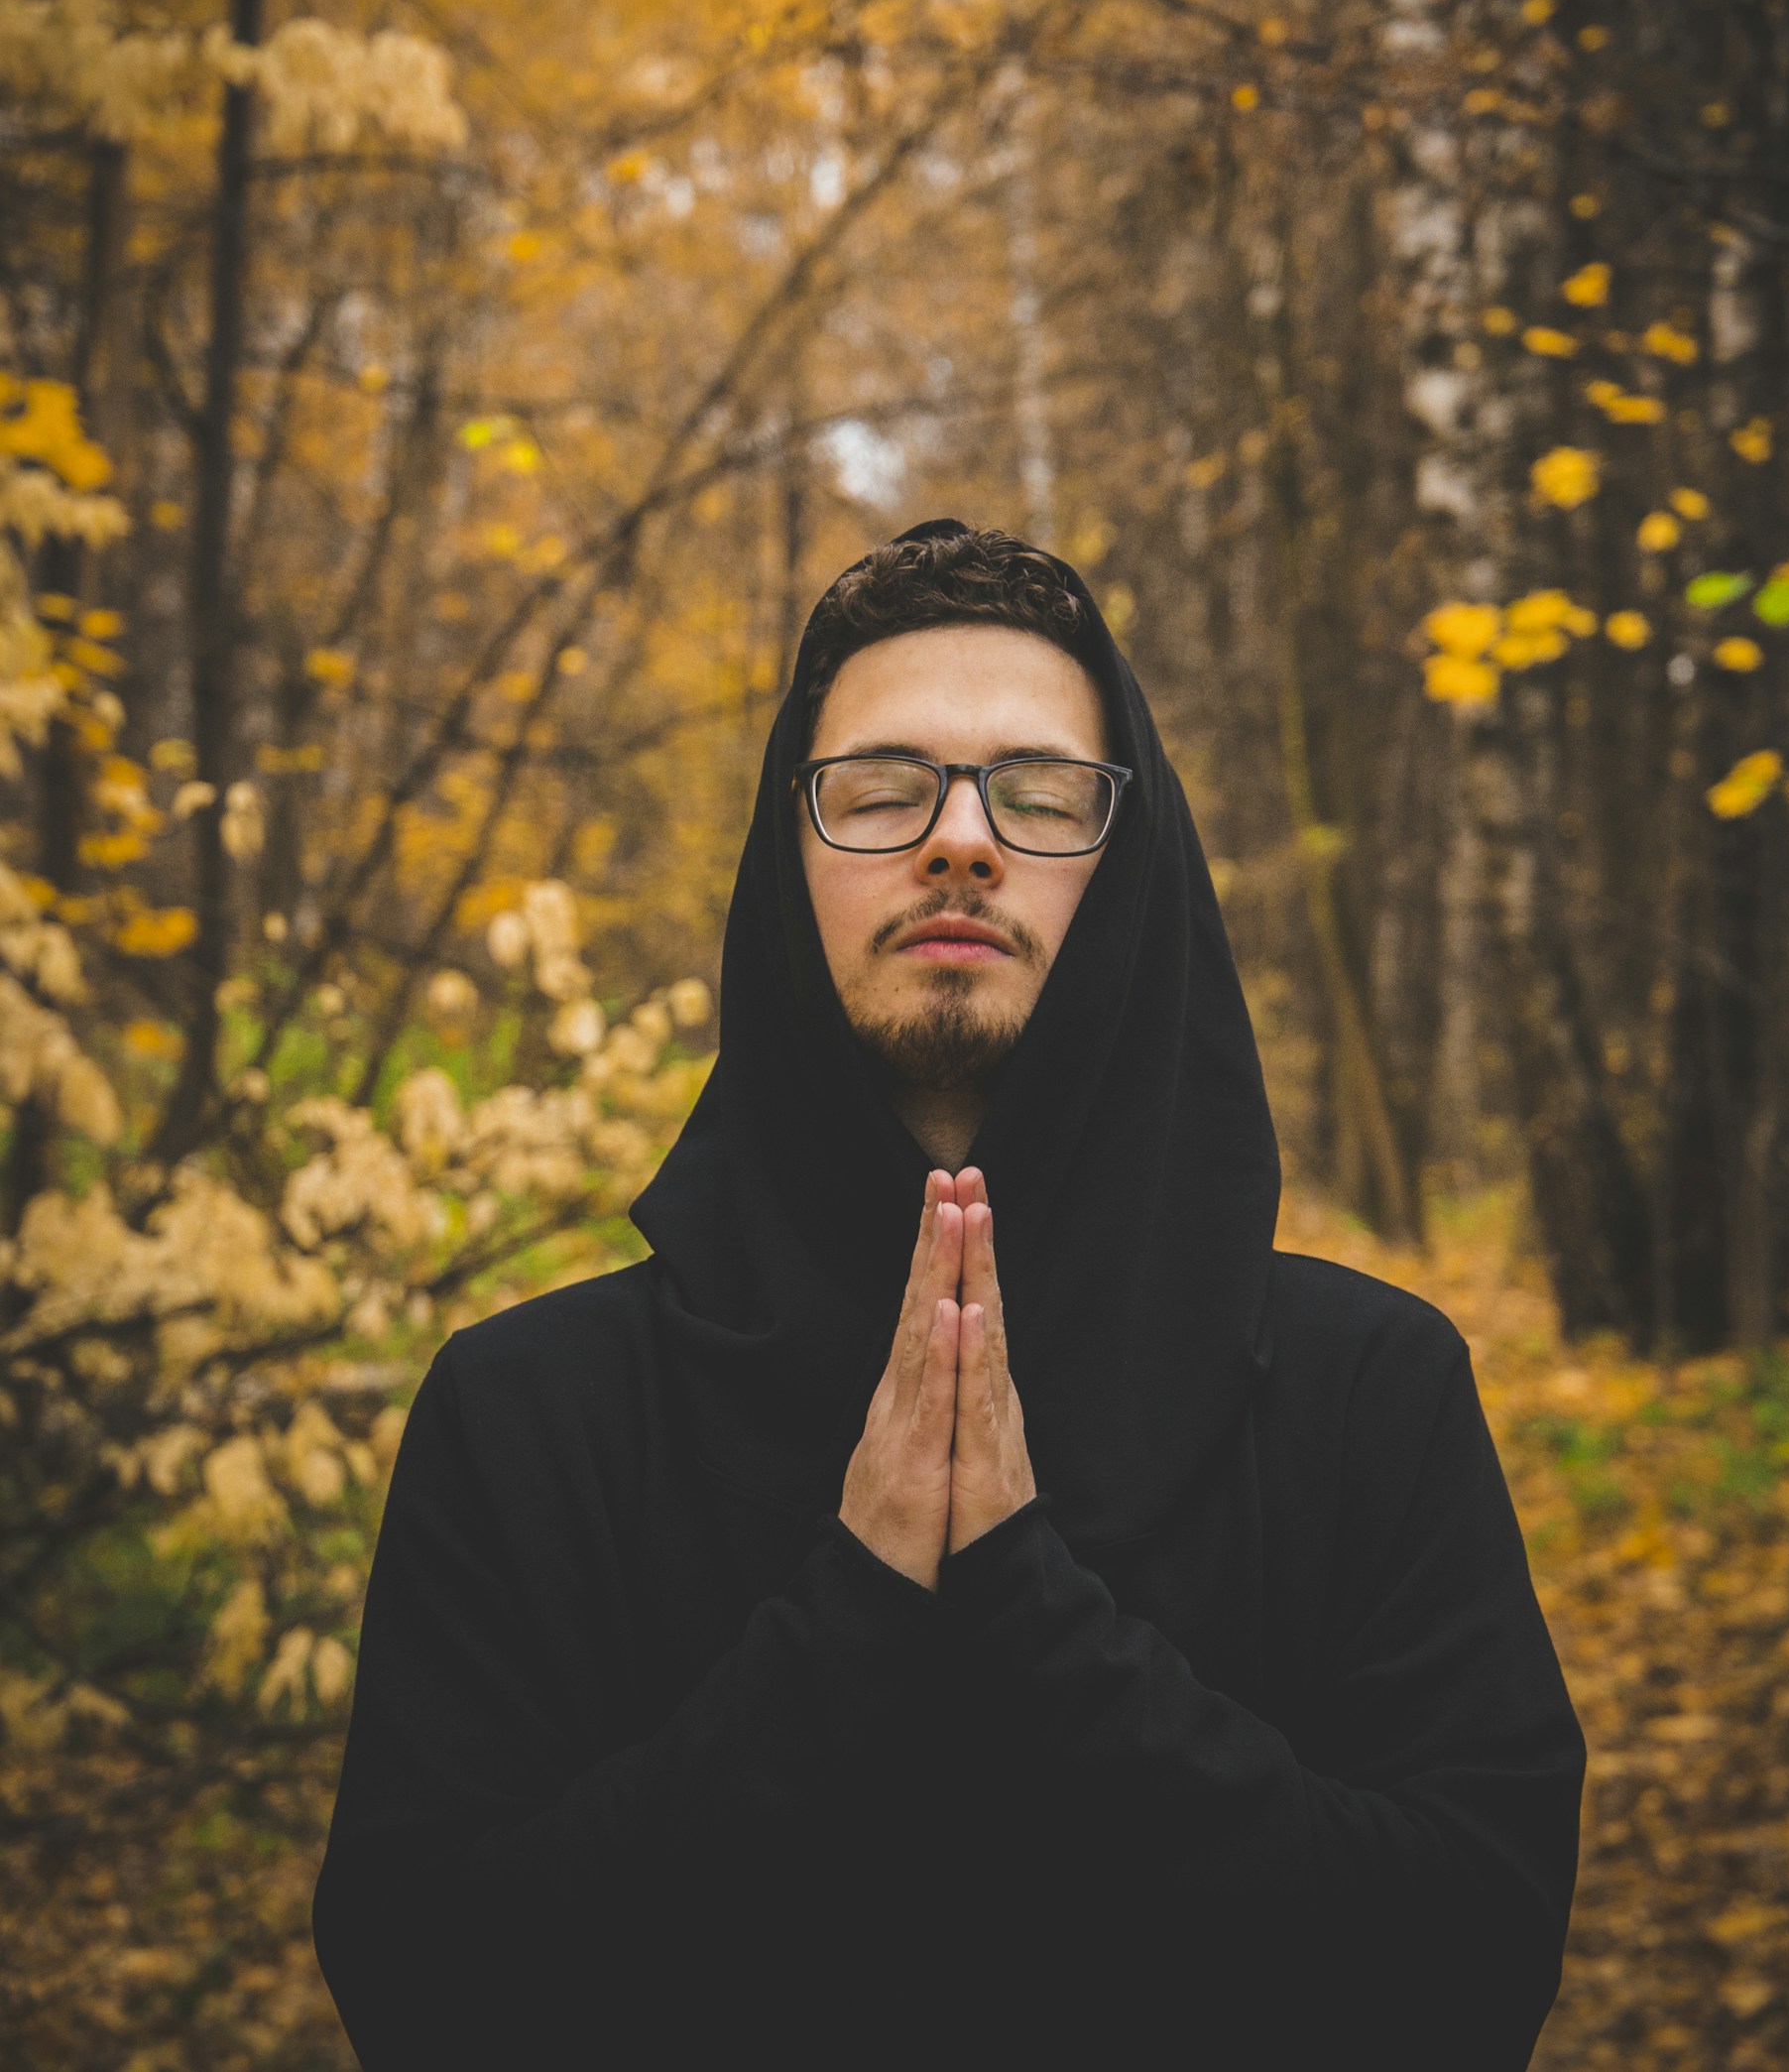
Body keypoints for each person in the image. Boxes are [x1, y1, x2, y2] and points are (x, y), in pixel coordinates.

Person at [313, 521, 1585, 2070]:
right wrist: (850, 1605)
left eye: (1040, 791)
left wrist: (1033, 1609)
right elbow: (429, 1985)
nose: (961, 839)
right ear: (790, 860)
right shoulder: (530, 1414)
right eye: (881, 787)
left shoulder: (1366, 1391)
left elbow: (1469, 1968)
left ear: (1134, 868)